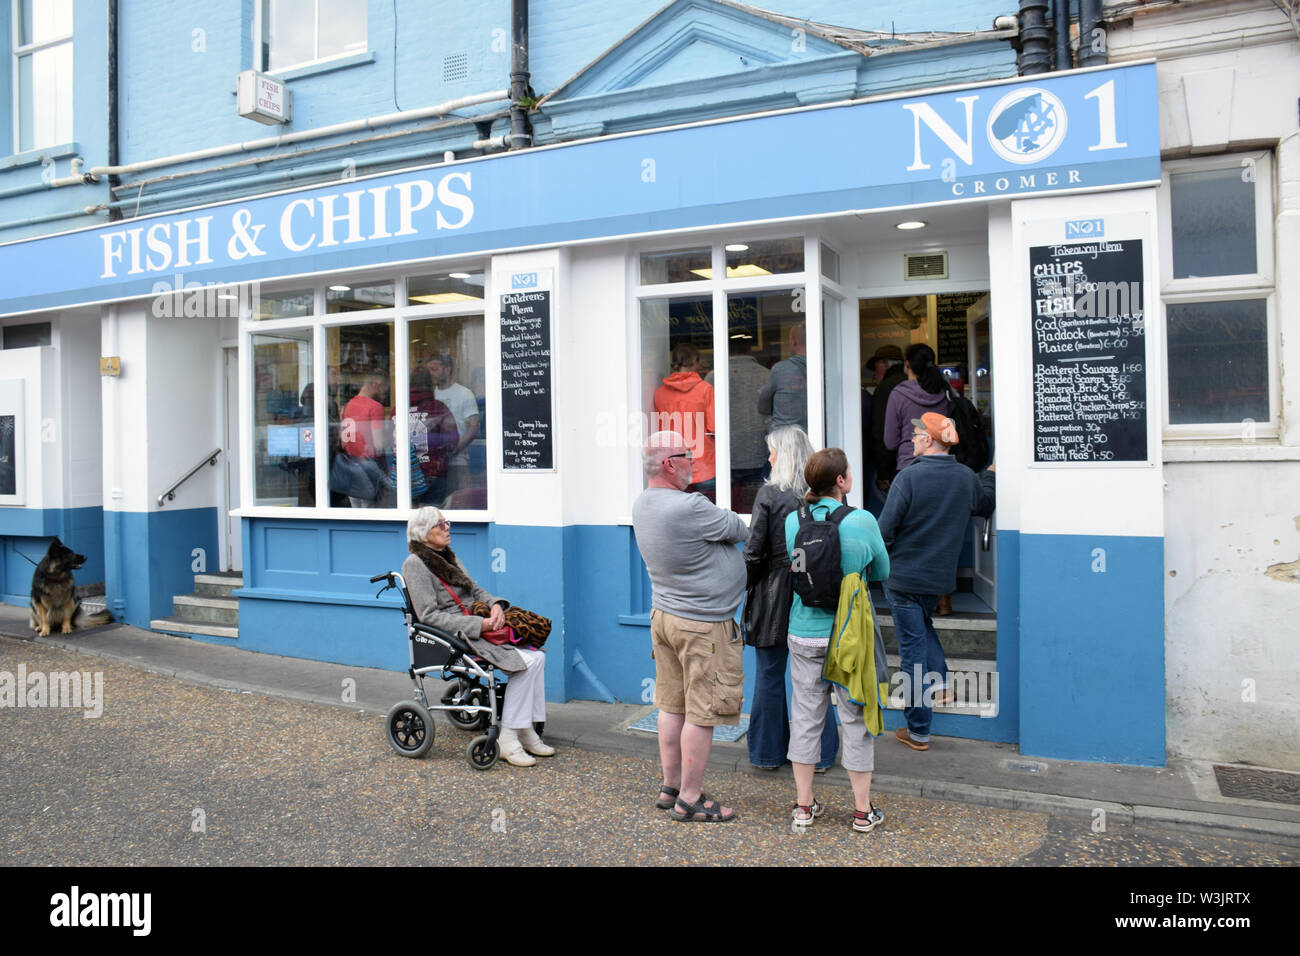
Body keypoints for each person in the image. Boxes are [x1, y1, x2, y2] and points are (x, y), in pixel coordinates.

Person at [632, 430, 747, 822]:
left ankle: (671, 786)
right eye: (687, 455)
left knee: (671, 704)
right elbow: (738, 528)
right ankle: (691, 798)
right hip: (702, 626)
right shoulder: (691, 506)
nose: (694, 462)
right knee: (703, 712)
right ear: (669, 464)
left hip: (665, 617)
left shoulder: (642, 503)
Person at [783, 448, 890, 832]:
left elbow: (795, 568)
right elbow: (882, 570)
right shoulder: (862, 520)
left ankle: (803, 806)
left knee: (806, 719)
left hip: (803, 632)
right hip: (849, 638)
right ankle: (862, 811)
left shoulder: (793, 522)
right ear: (841, 481)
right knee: (855, 720)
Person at [400, 506, 554, 767]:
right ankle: (507, 737)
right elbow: (428, 616)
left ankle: (524, 727)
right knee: (524, 665)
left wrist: (495, 605)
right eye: (441, 524)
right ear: (423, 532)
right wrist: (480, 625)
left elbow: (475, 590)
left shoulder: (448, 556)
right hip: (458, 634)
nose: (447, 527)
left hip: (478, 624)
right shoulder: (415, 564)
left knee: (537, 656)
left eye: (446, 522)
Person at [878, 413, 995, 752]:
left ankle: (918, 729)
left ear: (929, 440)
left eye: (916, 435)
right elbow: (985, 503)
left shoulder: (908, 478)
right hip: (938, 580)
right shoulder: (966, 478)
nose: (911, 439)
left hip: (903, 578)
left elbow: (885, 531)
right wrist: (989, 476)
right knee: (923, 628)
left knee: (912, 649)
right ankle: (941, 684)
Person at [742, 425, 839, 771]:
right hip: (814, 592)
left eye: (772, 451)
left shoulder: (769, 495)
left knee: (769, 675)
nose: (768, 457)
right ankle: (823, 755)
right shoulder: (823, 496)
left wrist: (747, 586)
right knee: (815, 680)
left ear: (783, 456)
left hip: (773, 593)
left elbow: (754, 553)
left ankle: (767, 754)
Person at [652, 343, 717, 501]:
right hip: (703, 463)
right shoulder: (705, 389)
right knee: (708, 515)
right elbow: (714, 427)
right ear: (695, 361)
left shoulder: (660, 393)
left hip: (674, 465)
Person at [883, 343, 949, 473]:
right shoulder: (944, 392)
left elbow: (890, 442)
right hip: (942, 464)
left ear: (907, 364)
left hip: (909, 465)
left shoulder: (899, 394)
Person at [426, 352, 481, 499]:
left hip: (457, 461)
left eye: (434, 369)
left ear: (447, 369)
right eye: (428, 370)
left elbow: (473, 427)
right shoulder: (429, 394)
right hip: (433, 465)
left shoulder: (464, 393)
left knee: (459, 503)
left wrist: (454, 449)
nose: (431, 374)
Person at [341, 372, 390, 508]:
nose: (385, 395)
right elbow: (379, 444)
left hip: (350, 468)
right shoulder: (375, 407)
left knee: (357, 516)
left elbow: (344, 443)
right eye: (385, 390)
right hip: (369, 468)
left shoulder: (345, 408)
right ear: (376, 385)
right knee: (372, 515)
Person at [869, 345, 907, 500]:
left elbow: (881, 432)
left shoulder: (885, 388)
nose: (874, 372)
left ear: (885, 364)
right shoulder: (915, 382)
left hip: (894, 468)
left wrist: (883, 472)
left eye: (876, 367)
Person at [758, 323, 808, 431]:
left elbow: (763, 407)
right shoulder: (828, 369)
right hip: (824, 438)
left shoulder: (780, 369)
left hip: (786, 442)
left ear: (793, 342)